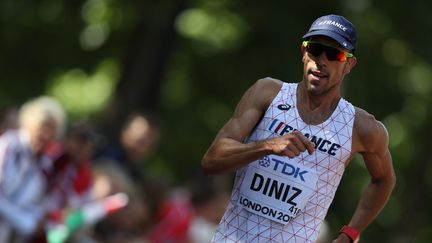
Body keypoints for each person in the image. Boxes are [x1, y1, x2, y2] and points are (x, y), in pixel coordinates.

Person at [201, 14, 396, 243]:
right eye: (315, 49)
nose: (321, 60)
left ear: (349, 64)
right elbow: (211, 160)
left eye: (334, 54)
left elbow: (384, 180)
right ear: (304, 53)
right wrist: (266, 146)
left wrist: (350, 233)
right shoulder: (268, 93)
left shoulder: (361, 127)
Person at [0, 96, 66, 243]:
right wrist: (28, 223)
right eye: (43, 126)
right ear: (29, 122)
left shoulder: (45, 164)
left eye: (52, 130)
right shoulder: (8, 146)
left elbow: (36, 203)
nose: (46, 134)